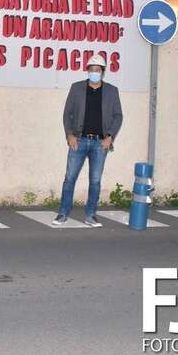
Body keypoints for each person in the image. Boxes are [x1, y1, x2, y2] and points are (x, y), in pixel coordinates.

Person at [52, 55, 123, 228]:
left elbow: (118, 116)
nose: (94, 73)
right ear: (88, 70)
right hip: (79, 140)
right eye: (91, 69)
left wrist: (110, 137)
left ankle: (91, 215)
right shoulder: (76, 88)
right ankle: (63, 213)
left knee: (95, 180)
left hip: (100, 144)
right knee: (70, 178)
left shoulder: (112, 91)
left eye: (98, 70)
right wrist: (69, 134)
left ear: (103, 72)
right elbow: (67, 113)